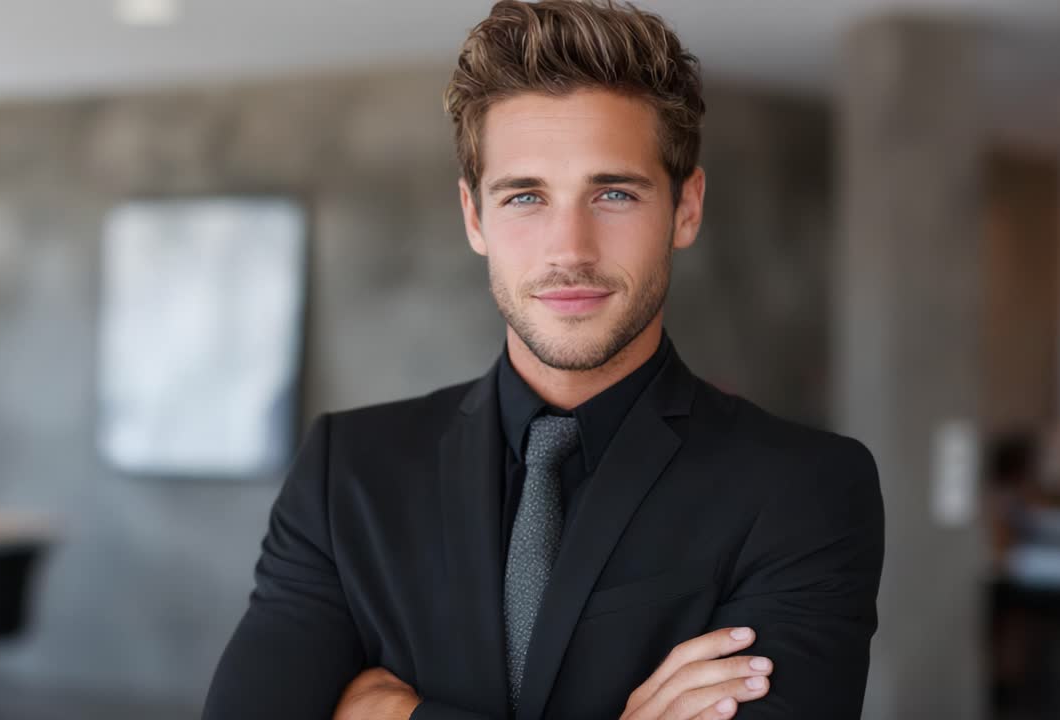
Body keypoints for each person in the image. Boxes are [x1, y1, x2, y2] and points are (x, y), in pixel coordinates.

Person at [201, 2, 884, 718]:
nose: (570, 250)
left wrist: (398, 713)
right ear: (475, 217)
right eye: (525, 196)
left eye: (614, 193)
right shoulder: (346, 471)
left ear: (686, 207)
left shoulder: (802, 489)